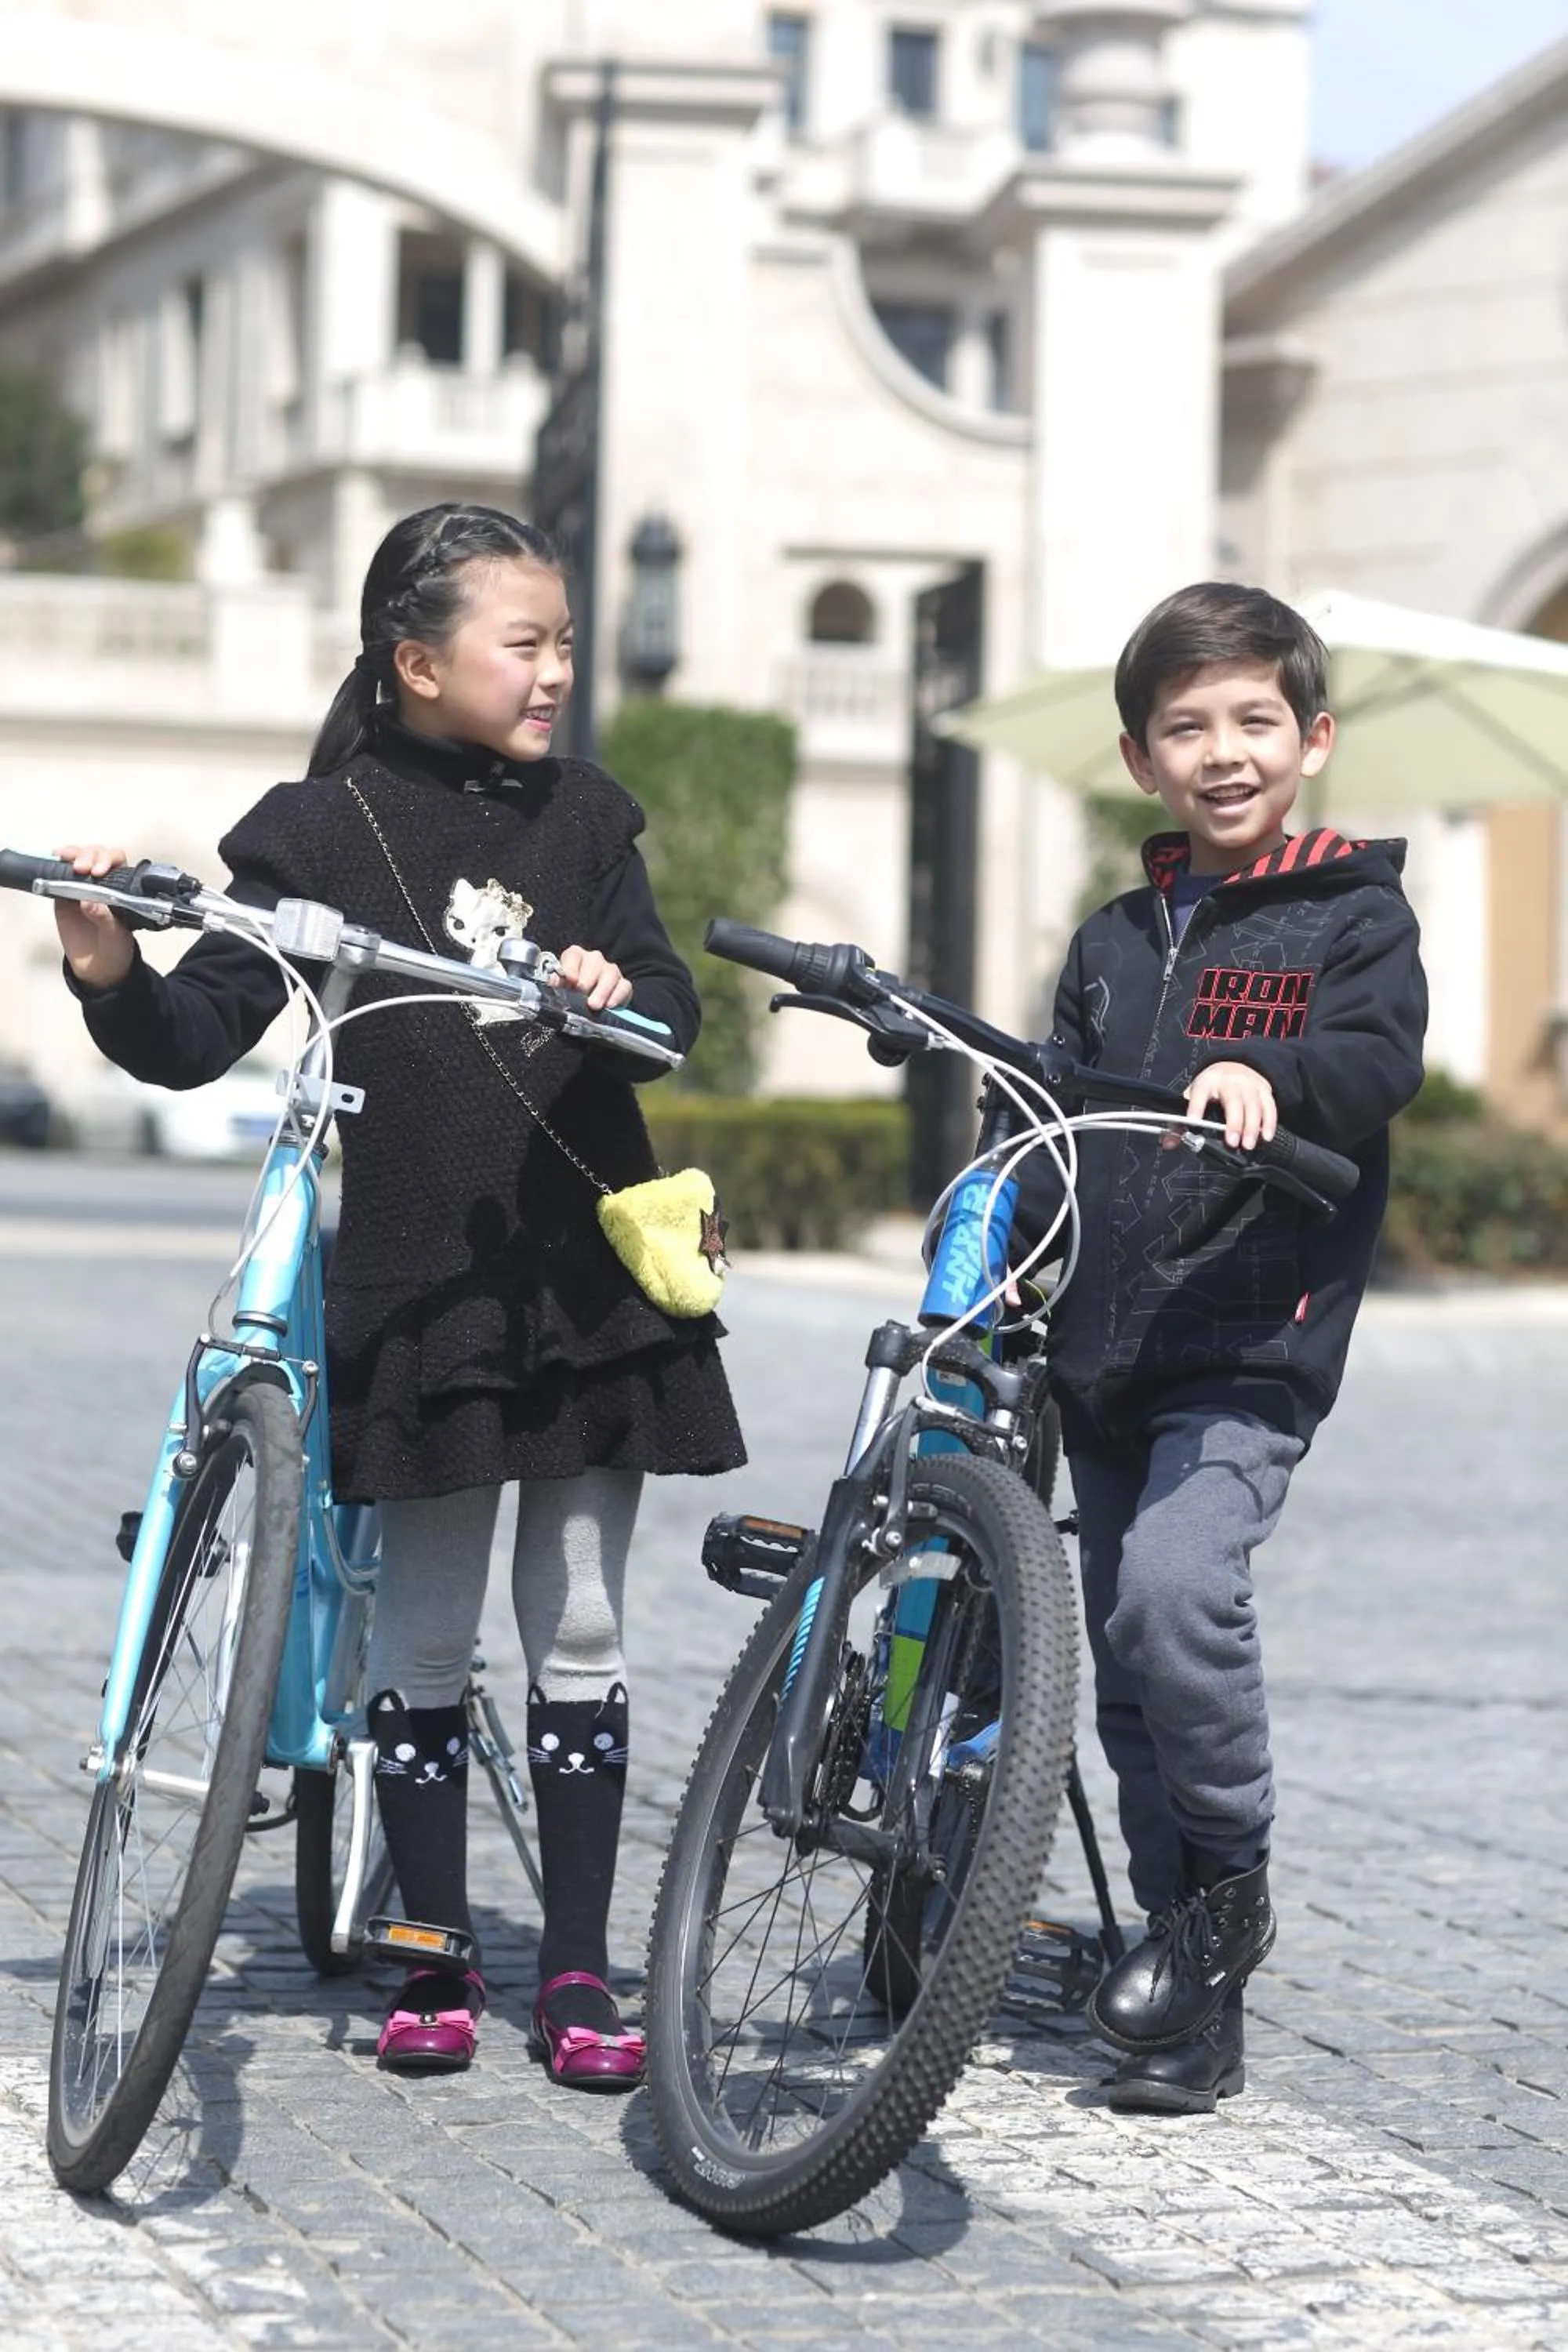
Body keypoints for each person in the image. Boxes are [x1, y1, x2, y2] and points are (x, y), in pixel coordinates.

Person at [53, 501, 746, 2090]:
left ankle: (574, 1967)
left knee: (578, 1625)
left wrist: (616, 993)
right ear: (417, 662)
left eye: (565, 640)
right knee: (422, 1644)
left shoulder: (588, 821)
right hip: (421, 1294)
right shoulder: (314, 834)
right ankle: (431, 1954)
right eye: (527, 642)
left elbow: (677, 1009)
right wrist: (107, 965)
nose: (557, 669)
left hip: (583, 1284)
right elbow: (192, 1032)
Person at [1017, 581, 1425, 2115]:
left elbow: (1376, 1063)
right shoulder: (1115, 937)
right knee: (1126, 1671)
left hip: (1246, 1344)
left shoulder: (1356, 914)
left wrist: (1271, 1069)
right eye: (1185, 726)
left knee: (1177, 1593)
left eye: (1254, 719)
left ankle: (1229, 1892)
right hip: (1102, 1351)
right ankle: (1182, 1977)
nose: (1223, 749)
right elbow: (1051, 1104)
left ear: (1310, 740)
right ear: (1139, 759)